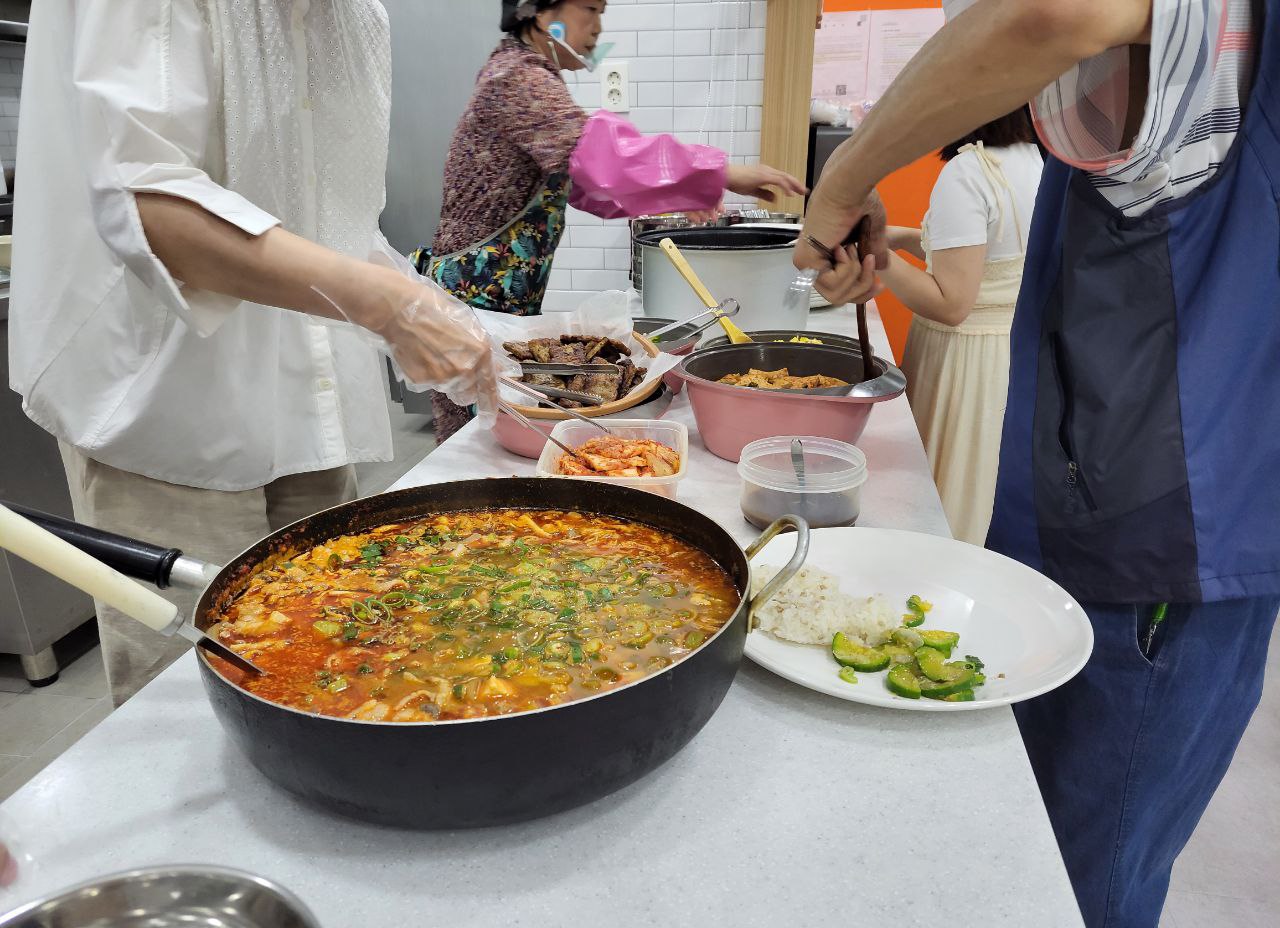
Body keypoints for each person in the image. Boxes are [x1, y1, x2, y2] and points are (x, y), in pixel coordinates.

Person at [795, 0, 1274, 928]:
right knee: (1029, 855)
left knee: (1076, 899)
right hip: (1115, 514)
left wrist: (839, 181)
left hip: (1161, 542)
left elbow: (1054, 14)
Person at [9, 1, 496, 706]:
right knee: (187, 698)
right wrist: (387, 308)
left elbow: (328, 216)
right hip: (159, 396)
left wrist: (429, 306)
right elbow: (145, 203)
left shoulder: (357, 15)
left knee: (340, 659)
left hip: (312, 391)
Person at [420, 0, 806, 440]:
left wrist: (682, 190)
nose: (599, 27)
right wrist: (718, 173)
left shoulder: (524, 73)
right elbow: (605, 160)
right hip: (472, 300)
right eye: (590, 8)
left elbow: (590, 186)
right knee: (474, 442)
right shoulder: (518, 80)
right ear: (540, 11)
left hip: (492, 298)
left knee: (492, 430)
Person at [882, 106, 1042, 544]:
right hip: (1005, 351)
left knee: (941, 500)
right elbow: (985, 257)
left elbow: (952, 302)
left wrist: (875, 259)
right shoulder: (1032, 157)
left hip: (961, 358)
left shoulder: (969, 170)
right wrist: (898, 237)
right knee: (981, 487)